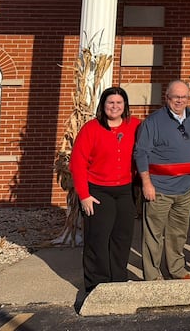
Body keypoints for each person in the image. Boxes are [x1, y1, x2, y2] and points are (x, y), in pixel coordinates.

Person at [70, 86, 141, 292]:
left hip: (125, 191)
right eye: (111, 102)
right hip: (98, 191)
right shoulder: (91, 129)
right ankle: (97, 284)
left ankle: (118, 279)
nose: (115, 106)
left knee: (122, 237)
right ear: (103, 105)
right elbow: (77, 163)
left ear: (125, 105)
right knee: (98, 238)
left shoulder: (135, 126)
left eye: (119, 102)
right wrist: (84, 195)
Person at [134, 80, 190, 281]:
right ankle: (153, 276)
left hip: (185, 188)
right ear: (167, 98)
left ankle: (177, 270)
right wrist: (146, 183)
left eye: (184, 97)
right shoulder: (153, 121)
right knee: (153, 235)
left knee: (178, 233)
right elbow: (141, 153)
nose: (180, 101)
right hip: (159, 188)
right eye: (175, 97)